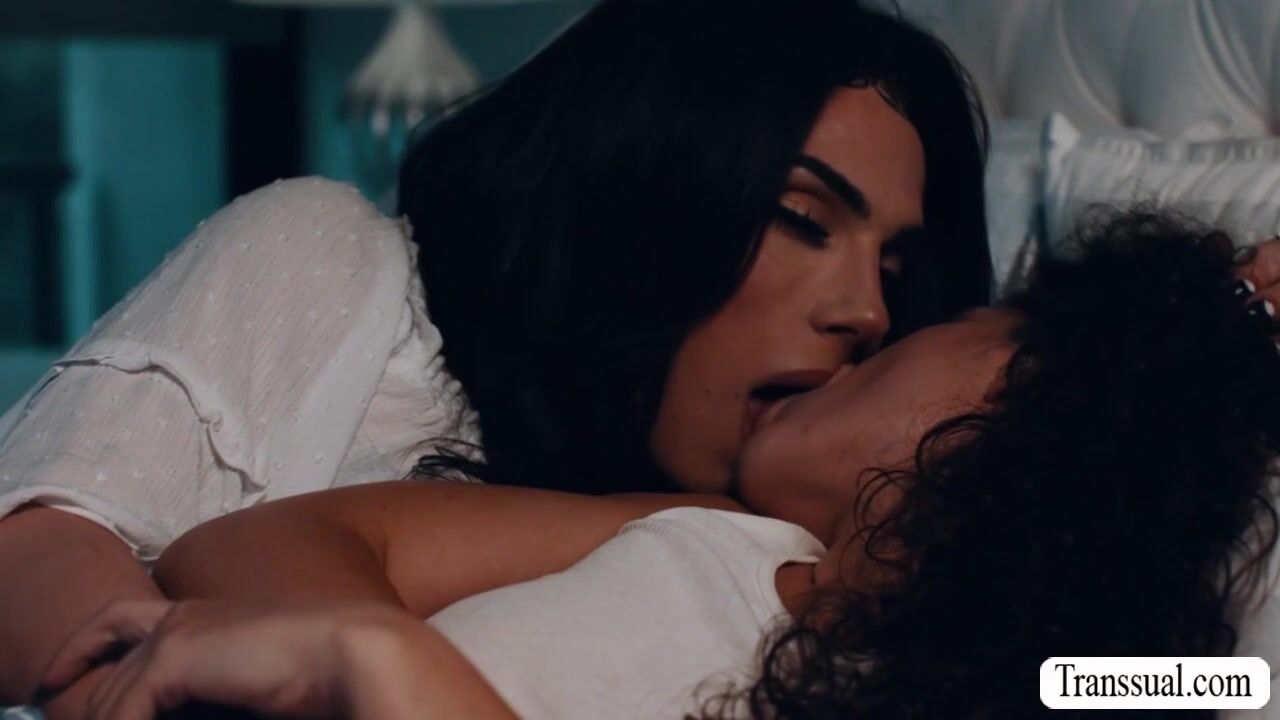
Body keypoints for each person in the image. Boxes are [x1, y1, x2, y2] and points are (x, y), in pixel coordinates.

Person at [0, 1, 994, 713]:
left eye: (896, 273)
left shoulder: (785, 560)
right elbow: (35, 536)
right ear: (650, 184)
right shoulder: (343, 266)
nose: (867, 311)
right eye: (802, 220)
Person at [40, 212, 1280, 719]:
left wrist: (375, 667)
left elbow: (1227, 687)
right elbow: (246, 546)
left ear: (1029, 405)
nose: (865, 334)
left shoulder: (1039, 689)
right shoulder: (712, 535)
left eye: (948, 322)